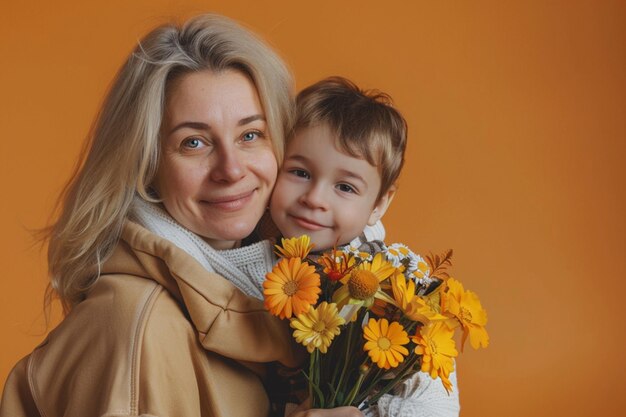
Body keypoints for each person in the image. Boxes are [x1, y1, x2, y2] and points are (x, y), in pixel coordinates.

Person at [0, 14, 362, 417]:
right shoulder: (138, 324)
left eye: (250, 135)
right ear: (147, 166)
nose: (231, 169)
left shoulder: (277, 302)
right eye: (194, 142)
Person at [269, 77, 461, 417]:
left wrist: (364, 411)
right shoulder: (251, 258)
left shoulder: (393, 282)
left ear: (379, 204)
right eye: (299, 172)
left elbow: (438, 405)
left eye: (344, 186)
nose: (314, 199)